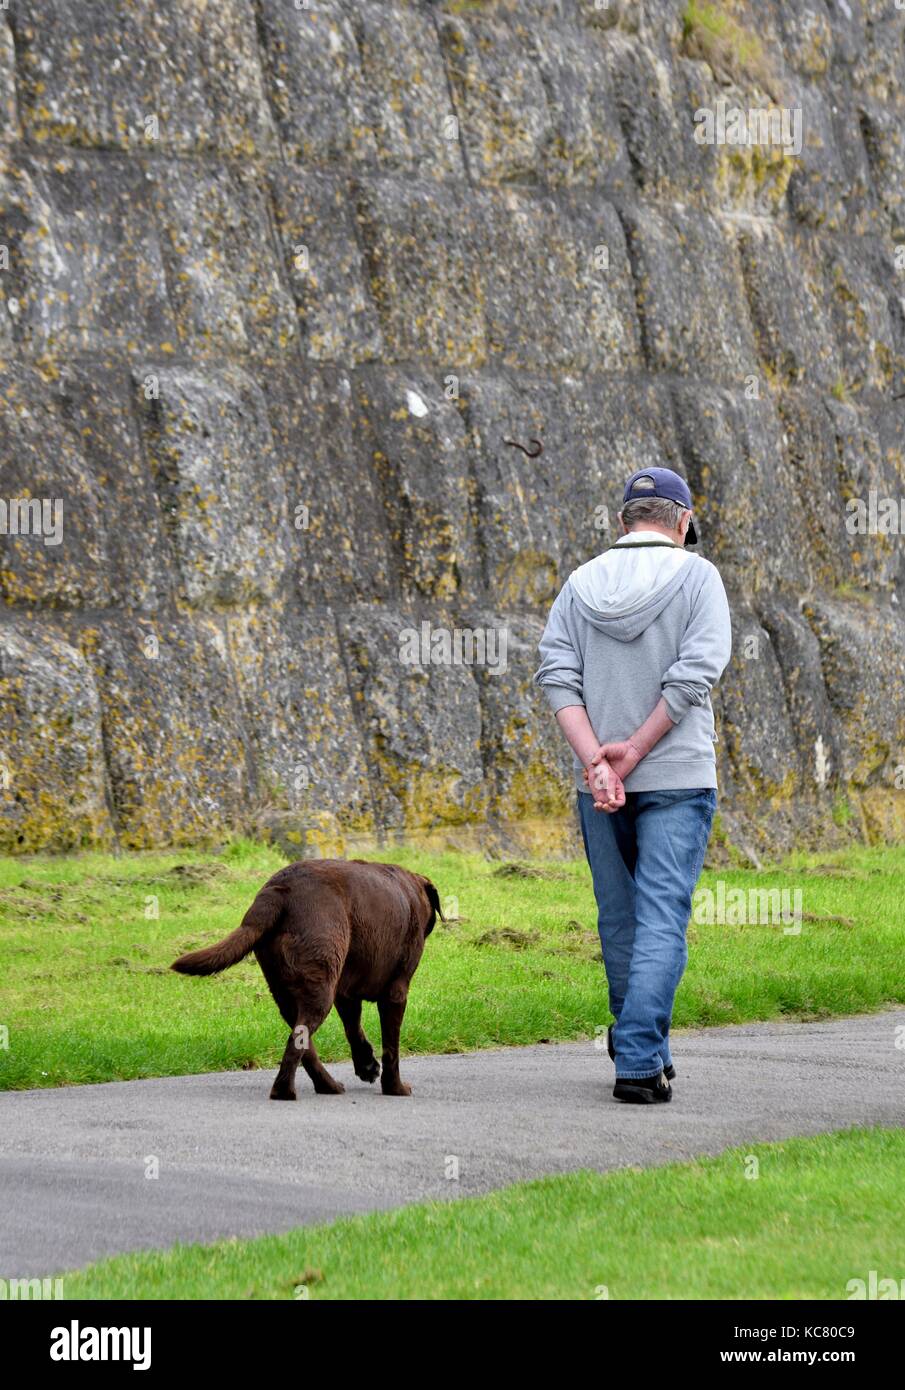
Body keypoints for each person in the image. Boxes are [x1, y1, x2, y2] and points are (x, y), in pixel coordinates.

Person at [535, 468, 732, 1103]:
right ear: (683, 522)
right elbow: (694, 675)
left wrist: (598, 761)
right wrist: (636, 752)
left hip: (598, 787)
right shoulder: (698, 577)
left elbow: (556, 676)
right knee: (661, 922)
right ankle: (640, 1062)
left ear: (624, 522)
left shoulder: (579, 583)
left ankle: (643, 1046)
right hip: (675, 777)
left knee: (621, 923)